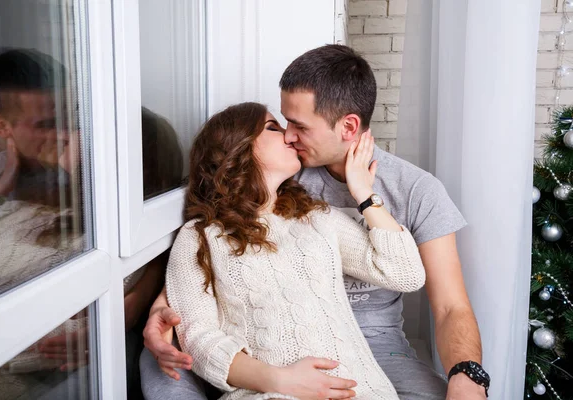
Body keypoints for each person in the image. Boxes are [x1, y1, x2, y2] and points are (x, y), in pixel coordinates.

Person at [141, 45, 488, 400]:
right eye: (280, 125)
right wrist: (160, 311)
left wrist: (467, 376)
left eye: (298, 126)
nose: (290, 135)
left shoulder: (340, 207)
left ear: (348, 126)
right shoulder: (283, 180)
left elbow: (440, 299)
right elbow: (206, 283)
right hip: (265, 368)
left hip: (372, 349)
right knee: (158, 370)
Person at [166, 101, 426, 399]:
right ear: (238, 147)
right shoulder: (200, 237)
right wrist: (278, 381)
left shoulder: (317, 218)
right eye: (273, 128)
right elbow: (199, 339)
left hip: (362, 391)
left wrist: (364, 195)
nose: (290, 136)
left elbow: (406, 274)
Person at [0, 48, 180, 399]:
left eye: (71, 117)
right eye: (46, 124)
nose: (64, 133)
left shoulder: (93, 194)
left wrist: (126, 308)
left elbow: (158, 234)